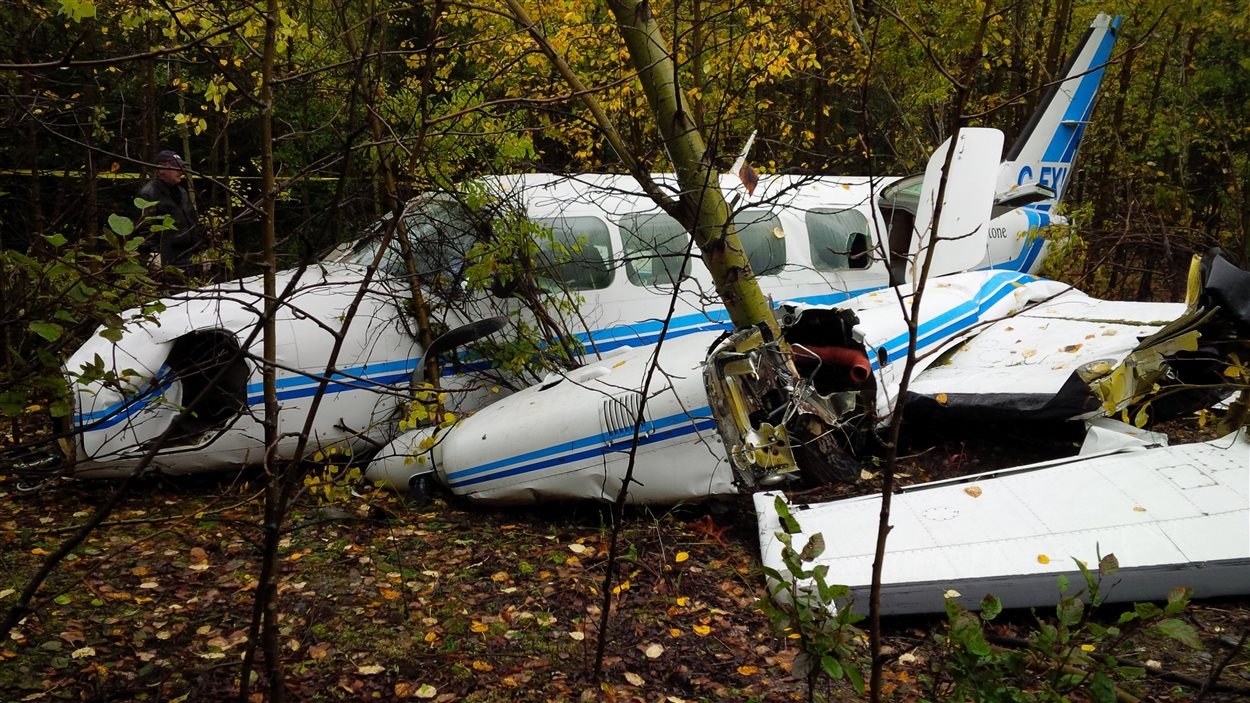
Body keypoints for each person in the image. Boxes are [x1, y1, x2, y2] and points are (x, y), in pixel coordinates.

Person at [138, 150, 203, 271]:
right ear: (161, 169)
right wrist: (153, 253)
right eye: (175, 167)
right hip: (168, 259)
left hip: (188, 257)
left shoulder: (182, 192)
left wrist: (200, 250)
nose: (180, 171)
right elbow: (144, 228)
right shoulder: (149, 194)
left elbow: (193, 222)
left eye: (181, 167)